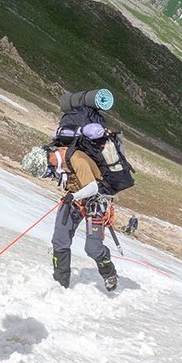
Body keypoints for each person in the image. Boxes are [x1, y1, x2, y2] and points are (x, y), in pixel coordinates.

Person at [51, 123, 119, 291]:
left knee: (93, 248)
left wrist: (73, 196)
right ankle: (60, 283)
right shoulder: (65, 156)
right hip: (74, 200)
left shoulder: (78, 159)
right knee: (60, 240)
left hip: (96, 202)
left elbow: (92, 188)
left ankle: (109, 272)